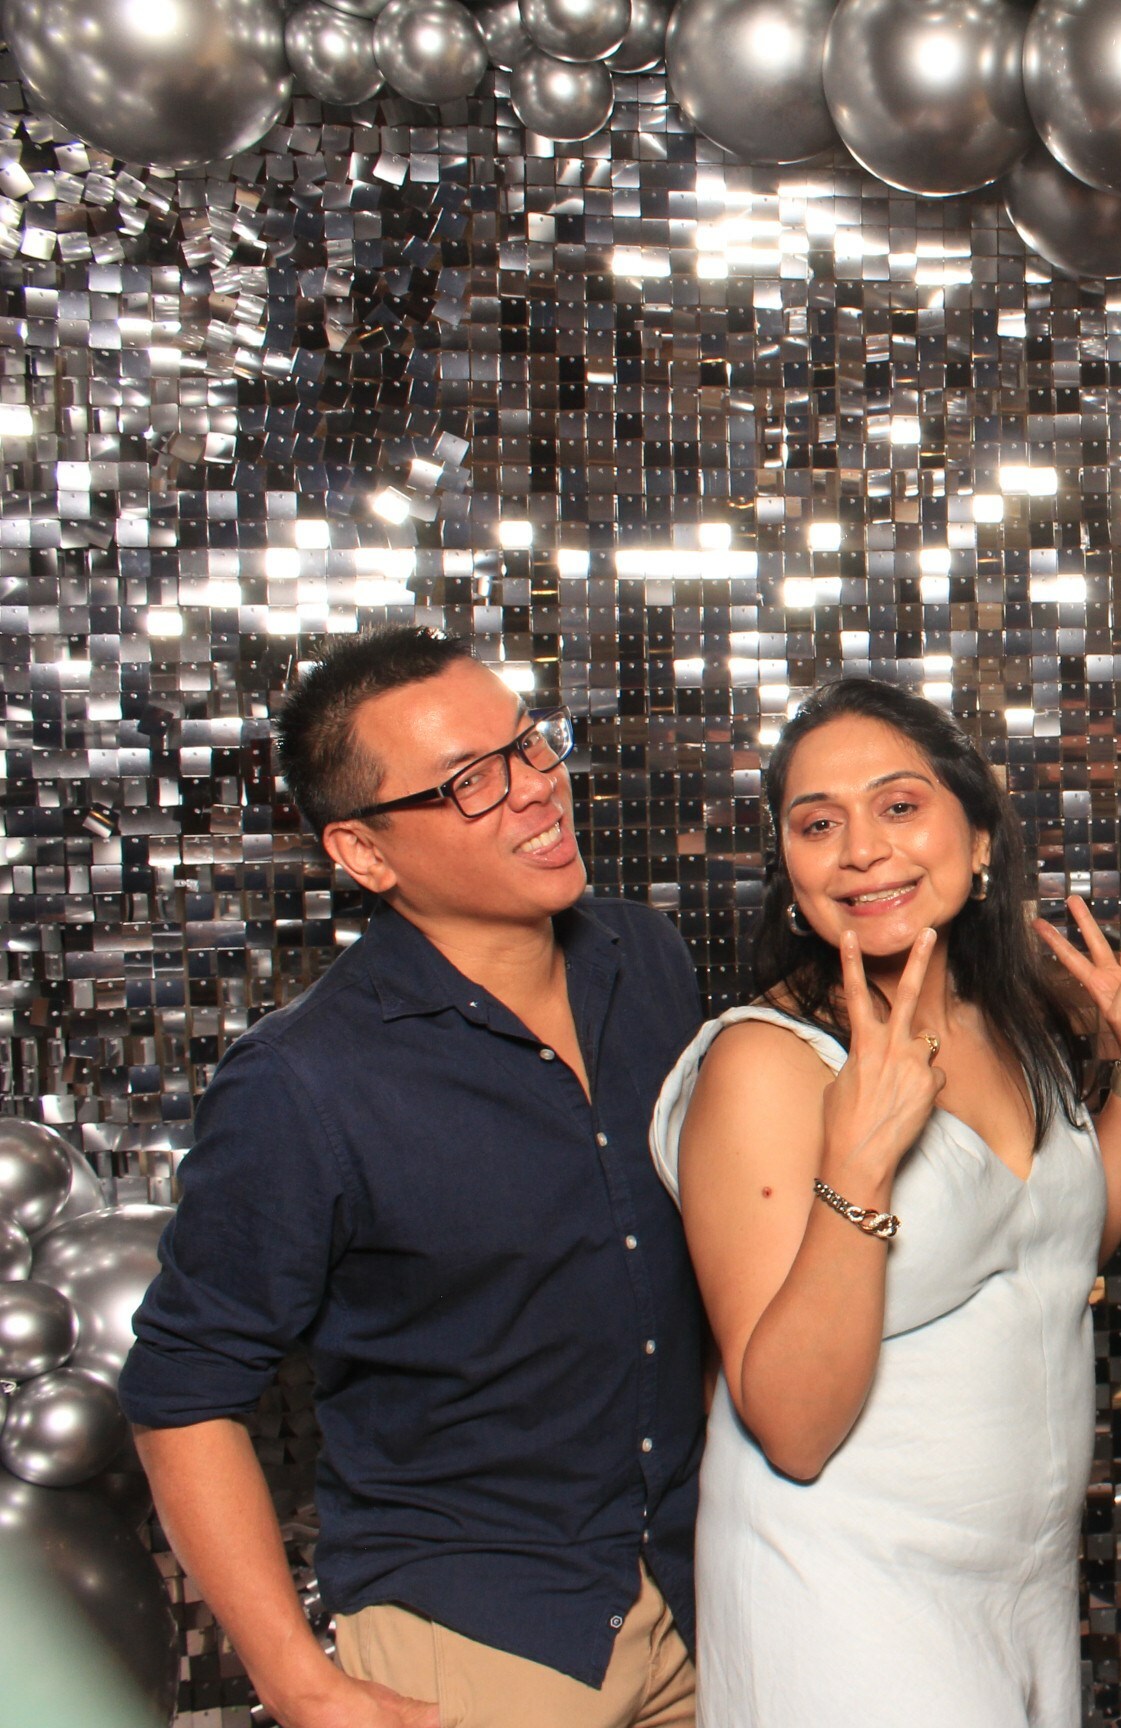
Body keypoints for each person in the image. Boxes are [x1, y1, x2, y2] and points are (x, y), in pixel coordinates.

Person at [120, 629, 707, 1728]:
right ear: (364, 852)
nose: (535, 789)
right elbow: (180, 1394)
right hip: (480, 1633)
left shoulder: (648, 959)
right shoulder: (302, 1081)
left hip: (698, 1588)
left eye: (529, 745)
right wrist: (301, 1686)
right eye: (470, 782)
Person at [649, 678, 1121, 1727]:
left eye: (899, 806)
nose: (861, 850)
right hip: (843, 1593)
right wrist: (857, 1166)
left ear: (978, 837)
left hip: (1021, 1592)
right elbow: (791, 1427)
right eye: (818, 824)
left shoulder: (1007, 1021)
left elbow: (1050, 1253)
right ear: (790, 868)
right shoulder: (766, 1063)